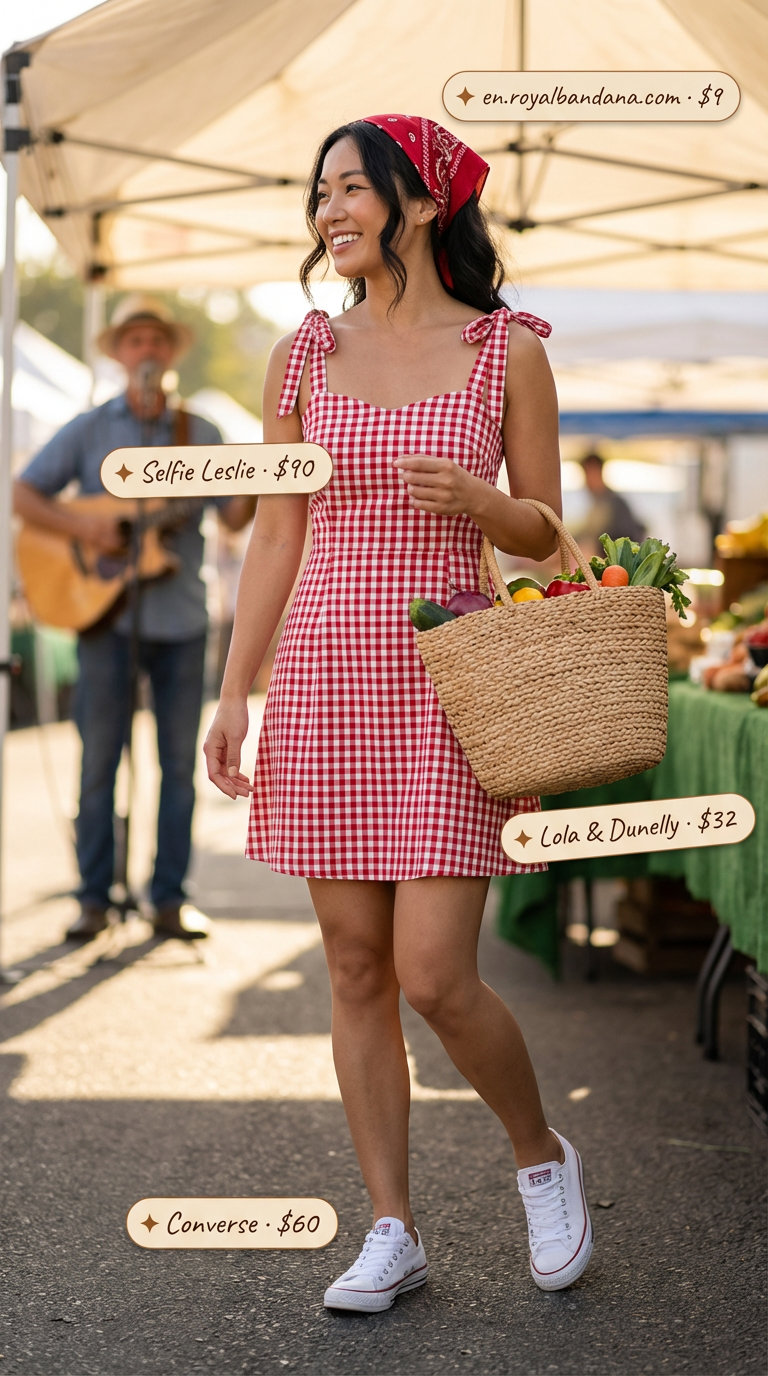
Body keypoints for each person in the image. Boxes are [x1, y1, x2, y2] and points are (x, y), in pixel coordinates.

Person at [204, 115, 593, 1310]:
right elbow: (277, 528)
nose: (328, 211)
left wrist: (483, 499)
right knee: (356, 964)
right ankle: (391, 1225)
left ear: (420, 204)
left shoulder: (505, 351)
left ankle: (541, 1154)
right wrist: (236, 687)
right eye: (317, 191)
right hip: (325, 674)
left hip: (447, 676)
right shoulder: (298, 357)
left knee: (436, 973)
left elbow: (550, 533)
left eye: (350, 189)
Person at [13, 295, 256, 942]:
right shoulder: (90, 428)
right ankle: (94, 897)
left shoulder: (201, 431)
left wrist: (263, 476)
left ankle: (169, 898)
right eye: (134, 340)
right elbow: (25, 493)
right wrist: (88, 533)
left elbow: (234, 516)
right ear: (120, 353)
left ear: (170, 352)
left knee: (180, 767)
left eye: (156, 340)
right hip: (108, 621)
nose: (146, 350)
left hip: (182, 620)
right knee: (99, 765)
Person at [575, 449, 646, 557]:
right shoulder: (597, 503)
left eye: (589, 474)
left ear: (598, 471)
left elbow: (626, 537)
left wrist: (594, 547)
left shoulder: (616, 503)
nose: (586, 481)